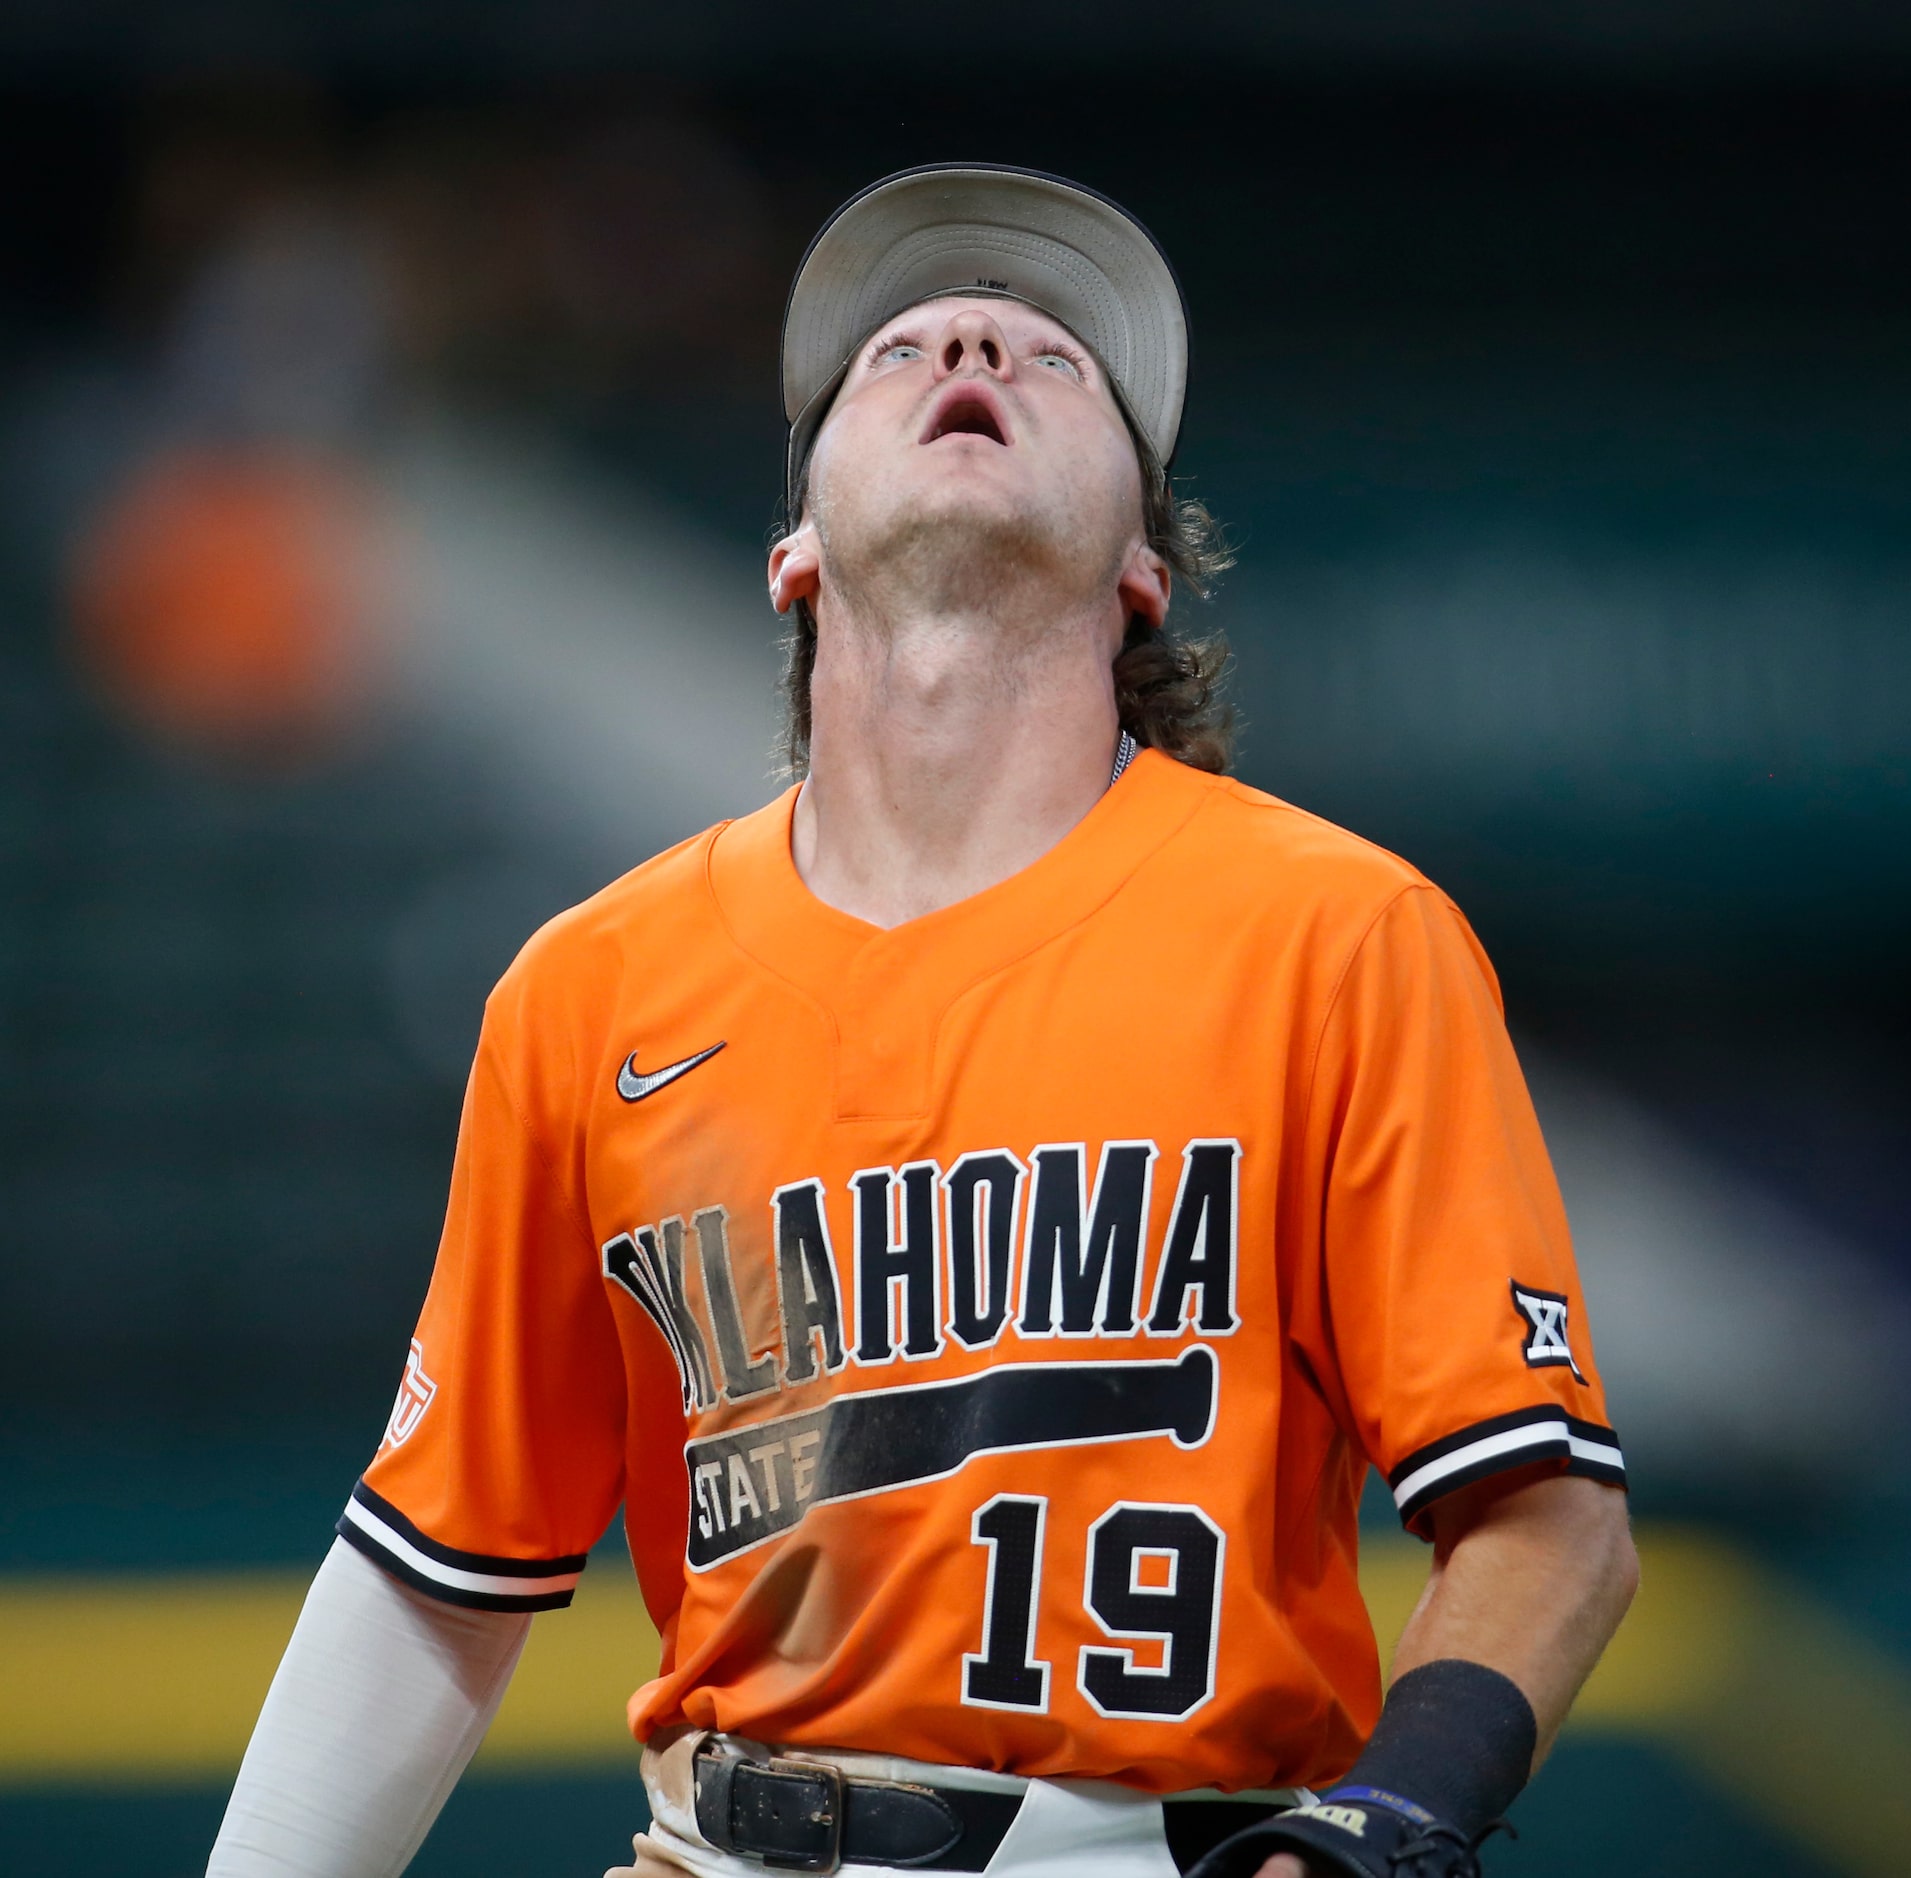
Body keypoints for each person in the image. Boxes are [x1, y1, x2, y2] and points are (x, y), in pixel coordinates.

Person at [208, 164, 1637, 1878]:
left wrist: (1387, 1818)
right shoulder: (593, 986)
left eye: (1055, 358)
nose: (969, 336)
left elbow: (1548, 1517)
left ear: (1141, 566)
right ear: (792, 547)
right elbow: (432, 1575)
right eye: (896, 348)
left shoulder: (1334, 936)